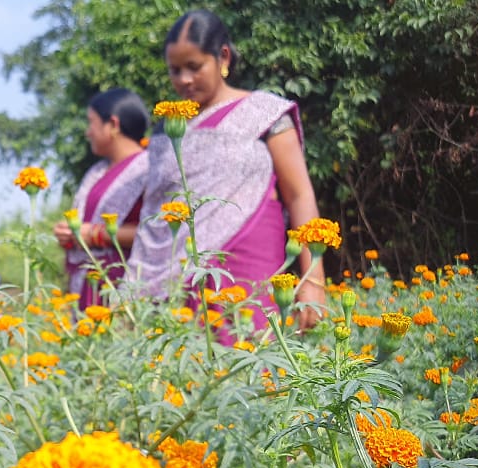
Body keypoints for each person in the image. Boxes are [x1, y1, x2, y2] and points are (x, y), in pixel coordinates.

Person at [129, 8, 328, 332]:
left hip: (247, 270)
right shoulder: (167, 133)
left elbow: (299, 195)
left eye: (194, 67)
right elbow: (155, 215)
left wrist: (313, 280)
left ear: (222, 57)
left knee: (251, 369)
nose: (184, 80)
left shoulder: (265, 114)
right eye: (175, 70)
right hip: (173, 280)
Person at [52, 88, 150, 309]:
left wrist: (94, 234)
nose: (88, 132)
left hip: (124, 285)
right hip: (87, 284)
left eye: (91, 123)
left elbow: (159, 231)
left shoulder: (148, 168)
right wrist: (71, 234)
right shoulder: (97, 172)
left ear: (113, 125)